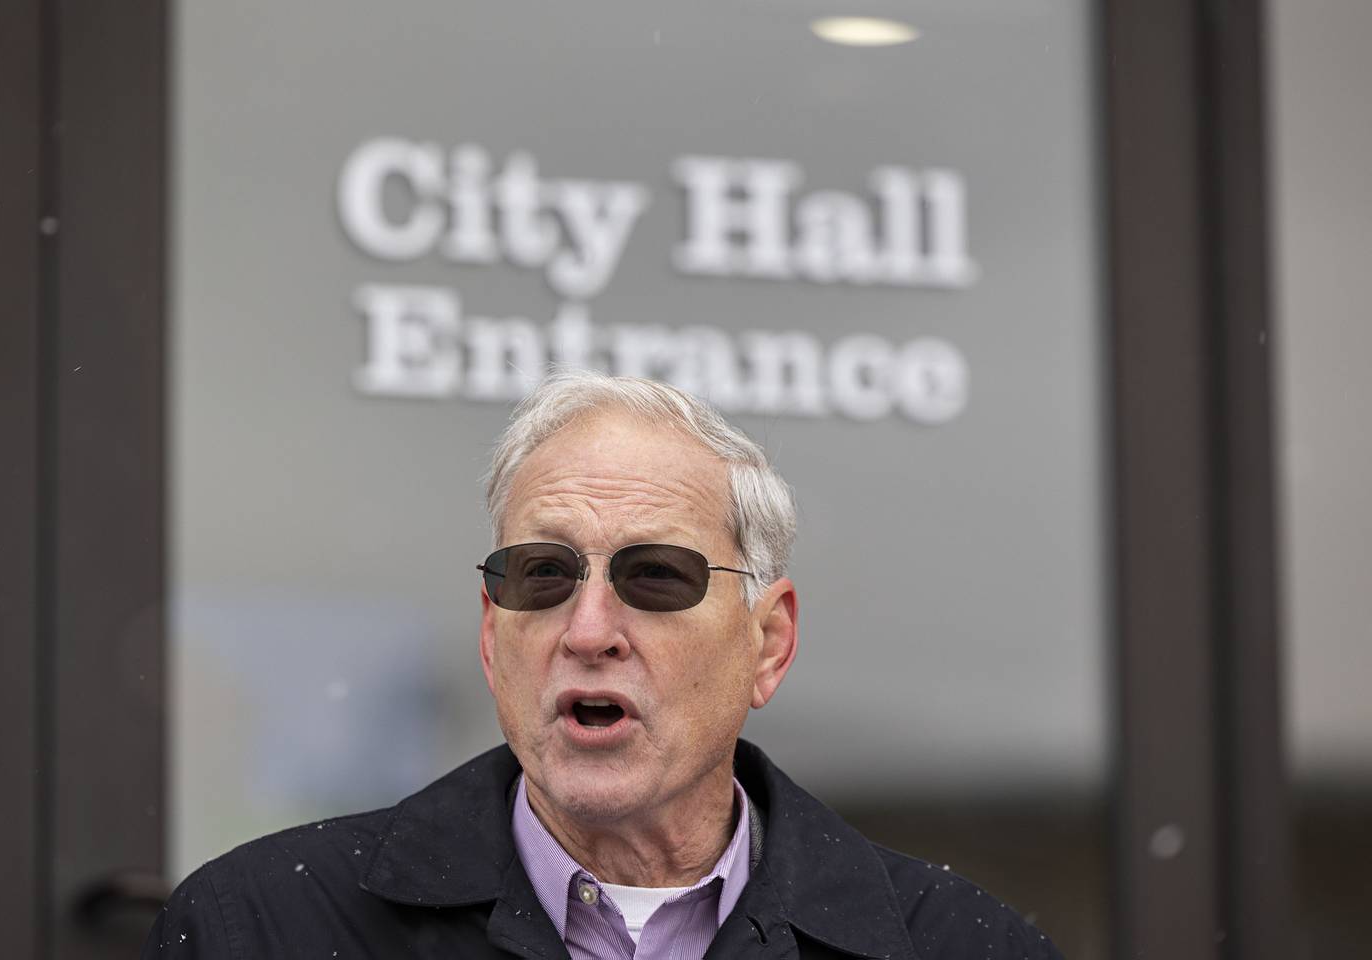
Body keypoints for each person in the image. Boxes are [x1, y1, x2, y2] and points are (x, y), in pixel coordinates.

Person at [144, 370, 1065, 959]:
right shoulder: (260, 929)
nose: (589, 629)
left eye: (655, 576)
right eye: (542, 574)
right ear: (490, 632)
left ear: (767, 644)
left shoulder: (960, 945)